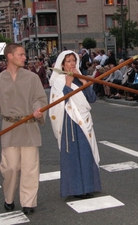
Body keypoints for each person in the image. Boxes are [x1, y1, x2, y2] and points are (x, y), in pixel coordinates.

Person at [0, 43, 48, 215]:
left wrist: (38, 110)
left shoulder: (32, 78)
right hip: (9, 128)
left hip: (29, 127)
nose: (24, 57)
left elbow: (39, 98)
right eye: (21, 54)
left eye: (24, 55)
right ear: (9, 56)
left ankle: (28, 202)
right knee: (9, 167)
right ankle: (9, 197)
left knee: (30, 167)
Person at [49, 50, 101, 199]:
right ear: (62, 64)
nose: (72, 64)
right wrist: (68, 83)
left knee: (86, 152)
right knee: (73, 154)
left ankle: (89, 186)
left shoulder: (80, 78)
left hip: (84, 121)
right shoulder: (58, 81)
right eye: (68, 61)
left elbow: (92, 99)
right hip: (70, 121)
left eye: (73, 60)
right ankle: (76, 188)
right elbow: (58, 102)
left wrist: (84, 81)